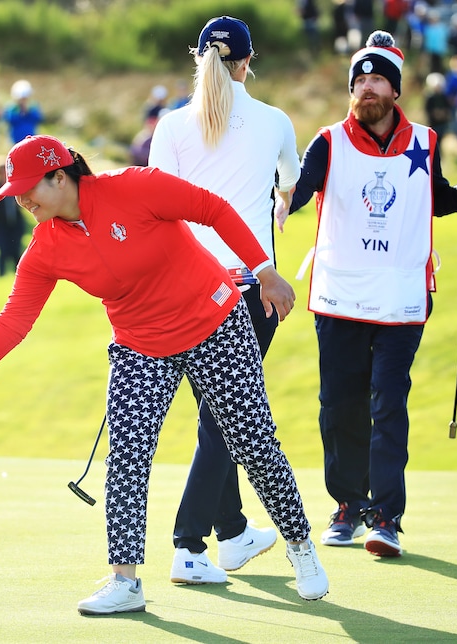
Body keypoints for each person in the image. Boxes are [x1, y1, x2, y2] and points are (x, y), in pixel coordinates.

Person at [0, 134, 329, 616]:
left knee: (253, 443)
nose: (21, 199)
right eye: (14, 192)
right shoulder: (46, 247)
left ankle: (301, 546)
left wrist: (264, 271)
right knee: (127, 457)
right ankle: (125, 582)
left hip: (214, 323)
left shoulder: (134, 187)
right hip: (141, 346)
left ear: (60, 176)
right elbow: (13, 320)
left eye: (27, 188)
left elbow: (215, 209)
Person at [277, 31, 457, 558]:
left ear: (395, 89)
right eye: (360, 79)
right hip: (340, 297)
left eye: (377, 79)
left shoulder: (424, 140)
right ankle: (349, 505)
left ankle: (386, 517)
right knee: (339, 405)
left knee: (388, 402)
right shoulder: (329, 140)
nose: (367, 88)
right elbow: (302, 188)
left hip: (401, 295)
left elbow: (434, 198)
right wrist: (283, 204)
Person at [148, 15, 302, 585]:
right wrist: (280, 200)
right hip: (251, 285)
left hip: (185, 290)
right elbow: (291, 177)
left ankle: (233, 534)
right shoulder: (275, 120)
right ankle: (189, 546)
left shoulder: (169, 125)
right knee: (223, 419)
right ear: (246, 63)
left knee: (219, 414)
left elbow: (159, 208)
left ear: (199, 60)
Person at [3, 79, 42, 144]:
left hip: (30, 137)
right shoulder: (12, 107)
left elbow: (38, 118)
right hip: (15, 137)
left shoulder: (33, 106)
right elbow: (9, 120)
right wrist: (20, 112)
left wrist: (27, 111)